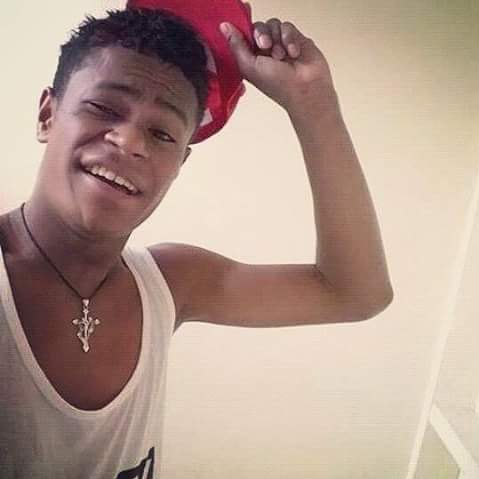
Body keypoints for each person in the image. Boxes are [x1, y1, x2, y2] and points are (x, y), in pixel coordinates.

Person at [0, 3, 393, 478]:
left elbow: (356, 293)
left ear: (180, 163)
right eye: (103, 108)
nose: (130, 142)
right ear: (48, 114)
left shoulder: (169, 283)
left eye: (161, 133)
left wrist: (314, 105)